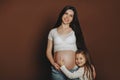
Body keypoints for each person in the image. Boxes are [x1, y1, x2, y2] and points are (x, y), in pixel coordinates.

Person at [46, 5, 88, 80]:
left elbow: (83, 49)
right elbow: (48, 51)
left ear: (73, 19)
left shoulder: (75, 31)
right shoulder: (52, 32)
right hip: (57, 71)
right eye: (66, 13)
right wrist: (53, 63)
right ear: (62, 14)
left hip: (74, 71)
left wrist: (89, 66)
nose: (67, 17)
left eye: (71, 16)